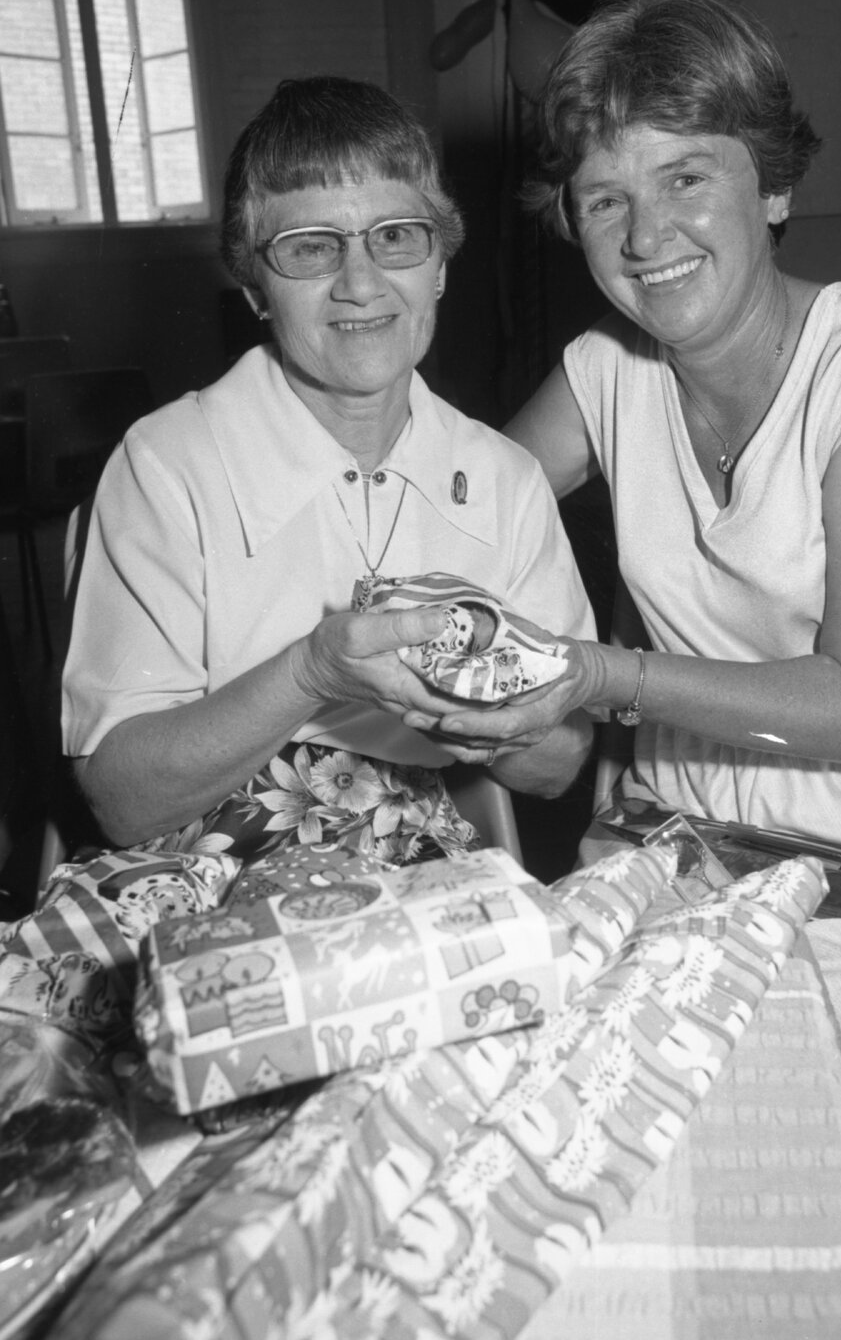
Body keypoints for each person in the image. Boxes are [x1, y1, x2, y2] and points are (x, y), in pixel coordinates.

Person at [421, 0, 841, 1329]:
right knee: (498, 1077)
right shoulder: (605, 369)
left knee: (697, 1084)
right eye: (604, 196)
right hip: (682, 855)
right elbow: (457, 516)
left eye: (687, 175)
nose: (646, 233)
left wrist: (598, 675)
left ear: (775, 186)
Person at [61, 76, 594, 867]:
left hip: (427, 875)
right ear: (255, 287)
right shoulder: (166, 466)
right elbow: (121, 800)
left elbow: (561, 762)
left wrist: (476, 715)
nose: (361, 282)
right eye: (311, 247)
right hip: (201, 870)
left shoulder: (505, 477)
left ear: (440, 266)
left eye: (396, 236)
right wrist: (313, 673)